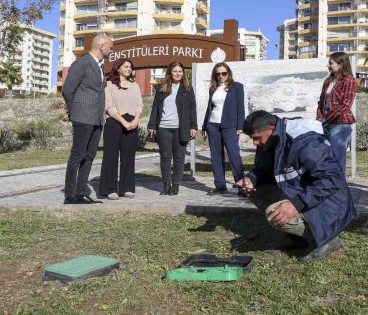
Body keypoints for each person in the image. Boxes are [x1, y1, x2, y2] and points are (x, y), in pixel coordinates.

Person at [236, 110, 356, 262]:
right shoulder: (270, 139)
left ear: (271, 129)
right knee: (255, 190)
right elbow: (264, 169)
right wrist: (251, 178)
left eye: (257, 138)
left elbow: (332, 179)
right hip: (305, 192)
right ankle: (294, 237)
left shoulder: (305, 142)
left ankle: (327, 237)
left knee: (273, 212)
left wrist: (296, 204)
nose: (255, 143)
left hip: (332, 205)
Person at [61, 34, 114, 205]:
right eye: (110, 47)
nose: (111, 50)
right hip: (82, 116)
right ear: (100, 45)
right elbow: (68, 90)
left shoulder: (100, 66)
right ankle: (69, 195)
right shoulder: (82, 63)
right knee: (78, 155)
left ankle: (80, 193)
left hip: (97, 118)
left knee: (90, 156)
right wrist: (73, 111)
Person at [147, 61, 197, 196]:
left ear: (183, 73)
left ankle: (175, 186)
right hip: (164, 127)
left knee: (179, 157)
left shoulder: (187, 88)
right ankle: (166, 185)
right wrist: (152, 125)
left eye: (180, 71)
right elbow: (155, 108)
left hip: (181, 128)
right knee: (165, 157)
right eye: (175, 71)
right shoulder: (161, 88)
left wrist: (193, 126)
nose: (178, 74)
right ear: (170, 72)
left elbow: (192, 109)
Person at [98, 58, 143, 200]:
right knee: (111, 157)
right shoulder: (109, 85)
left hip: (132, 123)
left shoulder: (135, 86)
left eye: (130, 67)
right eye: (126, 66)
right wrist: (123, 122)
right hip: (114, 122)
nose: (129, 69)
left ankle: (127, 187)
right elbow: (109, 106)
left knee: (128, 157)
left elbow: (139, 105)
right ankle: (110, 189)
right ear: (118, 68)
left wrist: (135, 120)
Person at [201, 62, 245, 196]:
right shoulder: (213, 89)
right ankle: (220, 185)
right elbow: (209, 109)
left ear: (228, 73)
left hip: (230, 126)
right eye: (218, 74)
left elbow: (240, 107)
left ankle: (241, 185)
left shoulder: (237, 87)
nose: (221, 76)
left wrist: (240, 126)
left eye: (223, 73)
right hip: (213, 125)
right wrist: (204, 126)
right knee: (216, 156)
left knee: (234, 155)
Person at [316, 52, 356, 176]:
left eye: (331, 63)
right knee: (325, 156)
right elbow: (321, 102)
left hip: (341, 124)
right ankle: (329, 183)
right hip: (326, 123)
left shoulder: (349, 81)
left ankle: (339, 186)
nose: (328, 65)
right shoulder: (328, 81)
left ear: (341, 64)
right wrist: (319, 118)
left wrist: (326, 118)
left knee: (338, 156)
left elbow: (345, 104)